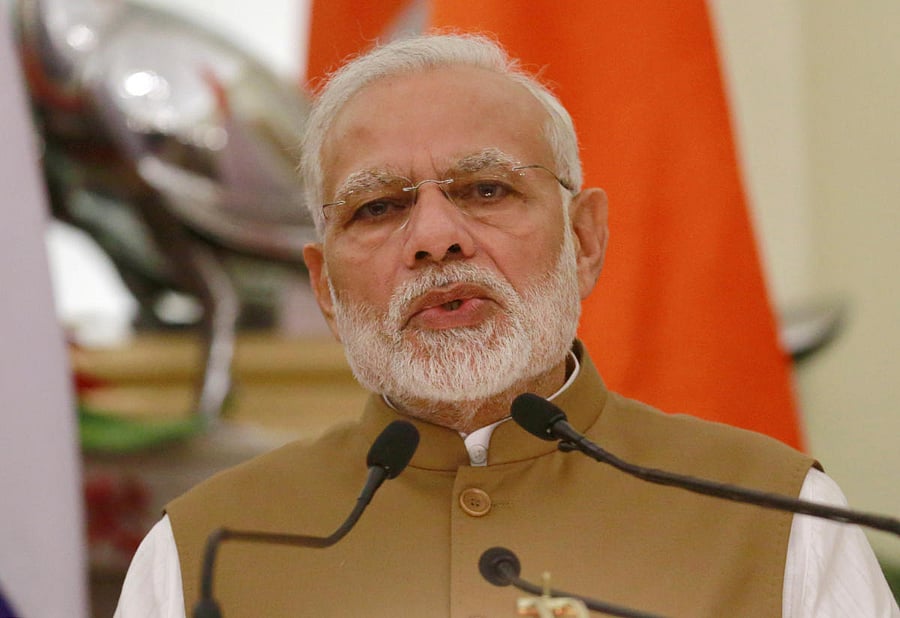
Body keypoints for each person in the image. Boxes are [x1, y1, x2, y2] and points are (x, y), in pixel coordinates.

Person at [116, 33, 899, 617]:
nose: (434, 237)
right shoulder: (204, 553)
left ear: (586, 240)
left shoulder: (776, 521)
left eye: (485, 190)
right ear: (324, 288)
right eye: (379, 207)